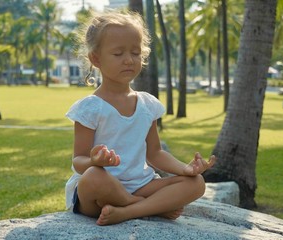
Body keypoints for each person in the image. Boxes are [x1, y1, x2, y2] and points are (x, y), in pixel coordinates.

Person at [65, 11, 216, 226]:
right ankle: (145, 206)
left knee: (196, 183)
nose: (129, 60)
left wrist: (185, 169)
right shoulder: (90, 108)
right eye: (118, 54)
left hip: (140, 184)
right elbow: (78, 161)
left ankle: (127, 211)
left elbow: (155, 153)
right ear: (96, 58)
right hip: (100, 191)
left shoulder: (146, 104)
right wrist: (94, 162)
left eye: (136, 53)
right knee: (92, 177)